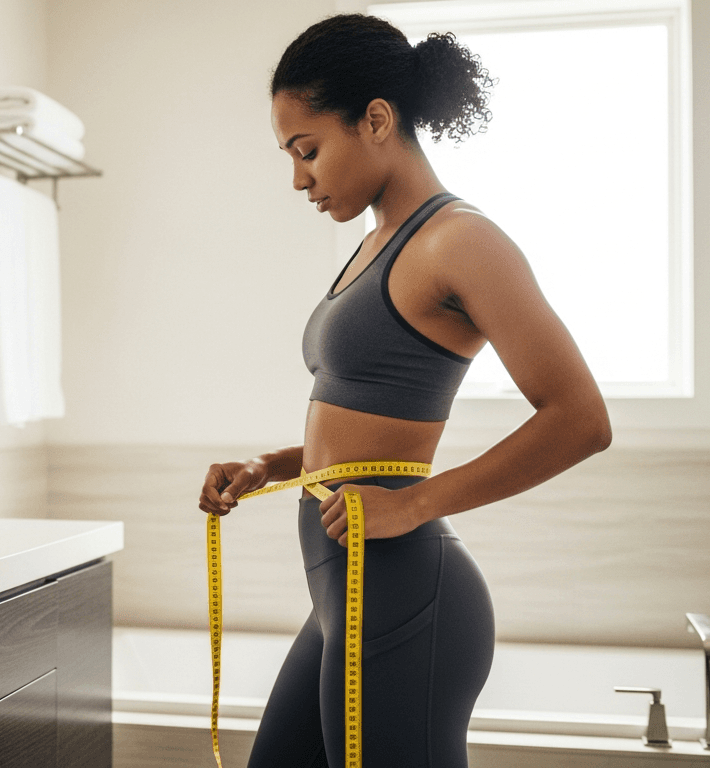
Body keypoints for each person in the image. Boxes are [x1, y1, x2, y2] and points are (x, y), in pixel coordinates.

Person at [198, 13, 612, 768]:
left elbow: (581, 420)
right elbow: (365, 426)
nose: (299, 178)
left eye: (308, 150)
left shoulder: (460, 240)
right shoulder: (375, 244)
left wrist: (416, 502)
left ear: (377, 120)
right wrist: (271, 465)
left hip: (403, 598)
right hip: (343, 595)